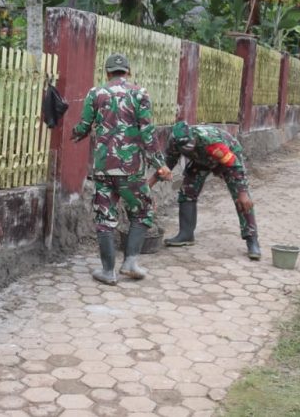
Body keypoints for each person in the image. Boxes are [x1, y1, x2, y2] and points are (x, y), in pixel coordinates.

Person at [71, 53, 172, 284]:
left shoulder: (95, 93)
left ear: (107, 73)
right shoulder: (140, 93)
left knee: (105, 217)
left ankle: (108, 272)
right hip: (131, 168)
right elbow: (147, 133)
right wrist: (160, 164)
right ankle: (130, 262)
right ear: (128, 71)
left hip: (103, 168)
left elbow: (84, 127)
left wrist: (73, 134)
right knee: (142, 211)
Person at [160, 121, 261, 260]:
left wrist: (242, 192)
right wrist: (149, 184)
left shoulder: (211, 142)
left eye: (190, 145)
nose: (187, 150)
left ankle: (252, 240)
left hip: (229, 157)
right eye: (185, 149)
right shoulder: (175, 141)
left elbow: (234, 166)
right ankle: (186, 234)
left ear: (193, 137)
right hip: (201, 159)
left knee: (242, 200)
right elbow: (168, 164)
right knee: (187, 190)